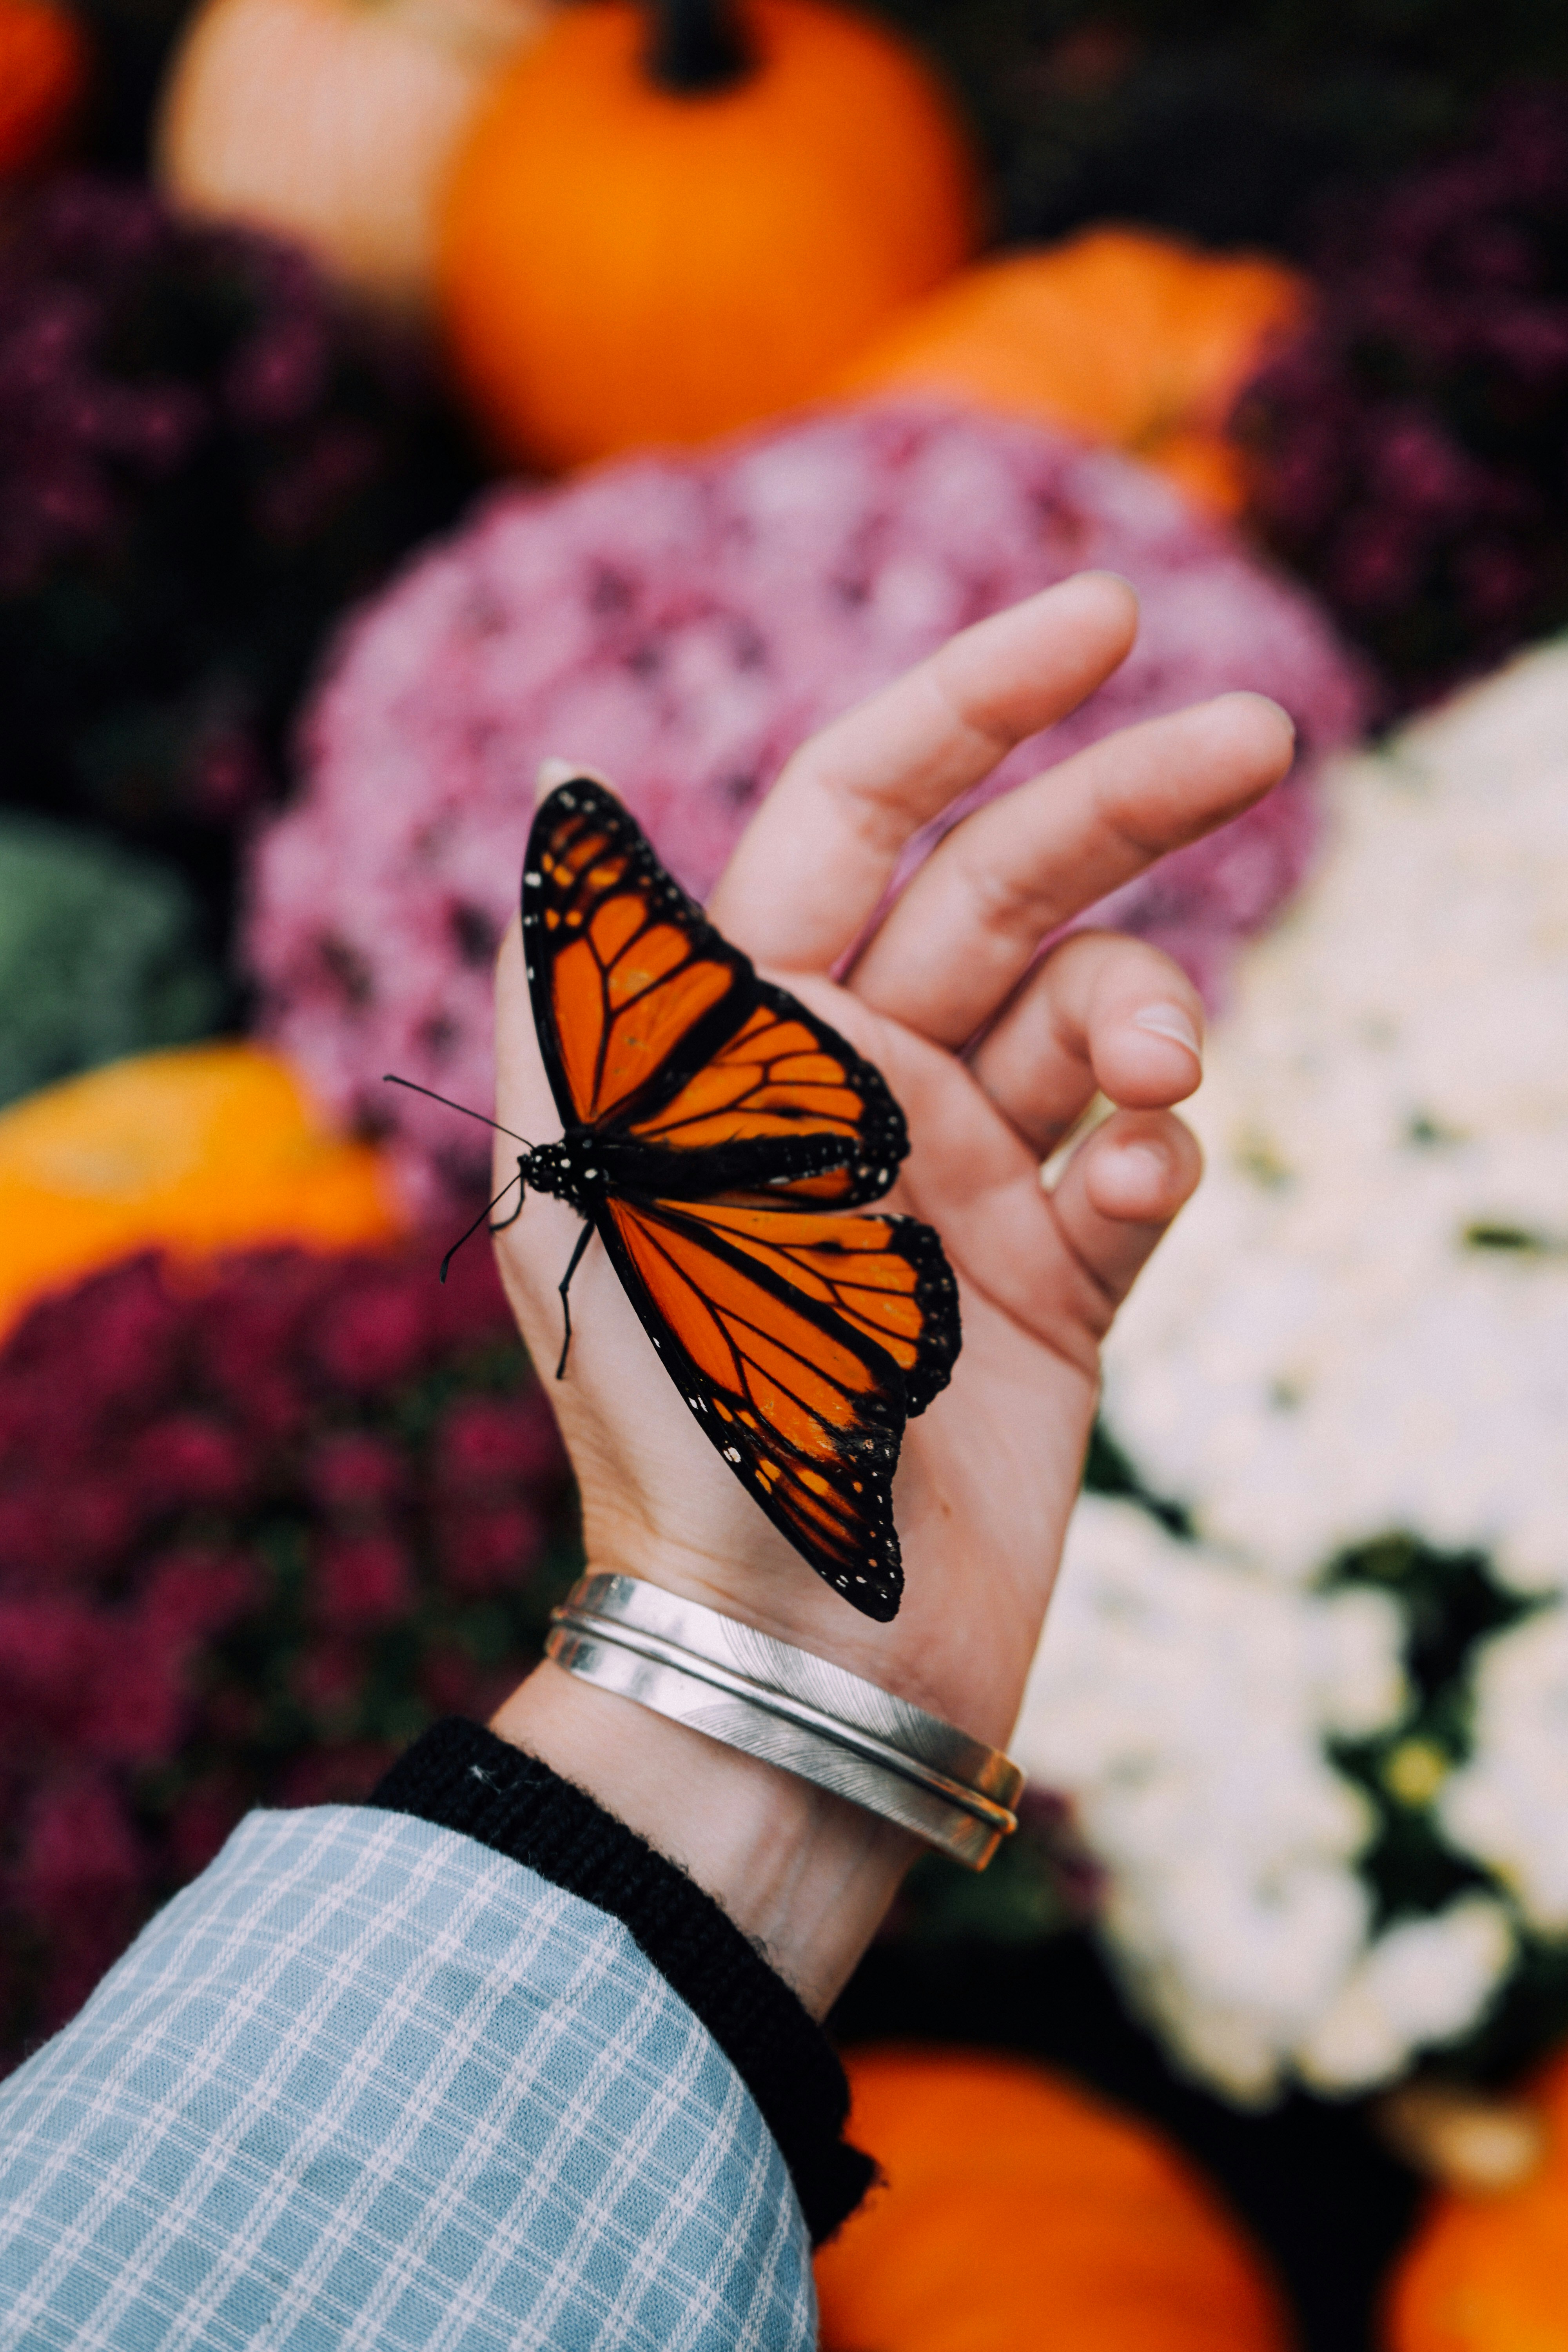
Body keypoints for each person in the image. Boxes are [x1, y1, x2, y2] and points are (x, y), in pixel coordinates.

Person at [0, 574, 1294, 2348]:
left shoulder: (628, 1216)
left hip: (756, 1338)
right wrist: (773, 1650)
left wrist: (733, 1667)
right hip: (766, 1316)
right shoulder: (639, 1185)